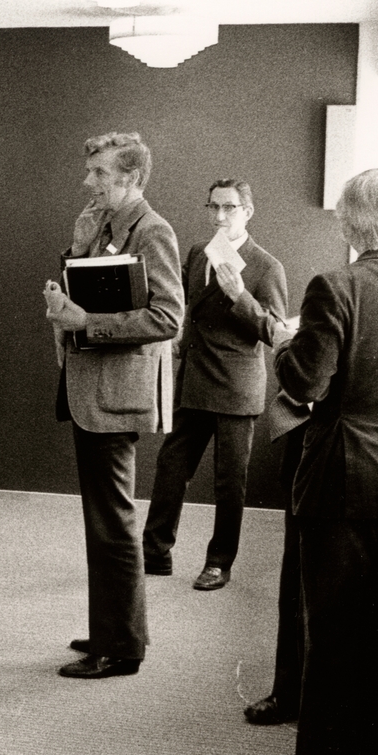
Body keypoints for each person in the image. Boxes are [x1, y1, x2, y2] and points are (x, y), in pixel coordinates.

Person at [274, 168, 378, 755]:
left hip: (341, 482)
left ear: (349, 222)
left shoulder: (336, 286)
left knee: (334, 638)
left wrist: (286, 346)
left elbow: (305, 384)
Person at [43, 131, 183, 679]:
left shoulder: (153, 230)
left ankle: (121, 647)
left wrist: (87, 322)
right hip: (94, 391)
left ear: (131, 178)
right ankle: (112, 629)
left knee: (114, 524)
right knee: (104, 523)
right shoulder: (101, 224)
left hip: (114, 396)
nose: (88, 182)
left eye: (100, 173)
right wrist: (68, 289)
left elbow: (168, 318)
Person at [141, 179, 288, 590]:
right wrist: (177, 338)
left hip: (237, 389)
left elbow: (275, 332)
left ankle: (219, 563)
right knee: (171, 467)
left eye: (230, 208)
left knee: (229, 482)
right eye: (214, 207)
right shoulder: (197, 253)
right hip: (194, 380)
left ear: (247, 212)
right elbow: (184, 306)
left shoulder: (266, 266)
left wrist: (240, 295)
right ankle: (154, 552)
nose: (220, 216)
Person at [243, 391, 308, 726]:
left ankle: (290, 693)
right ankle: (291, 692)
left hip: (331, 445)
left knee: (299, 577)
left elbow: (306, 380)